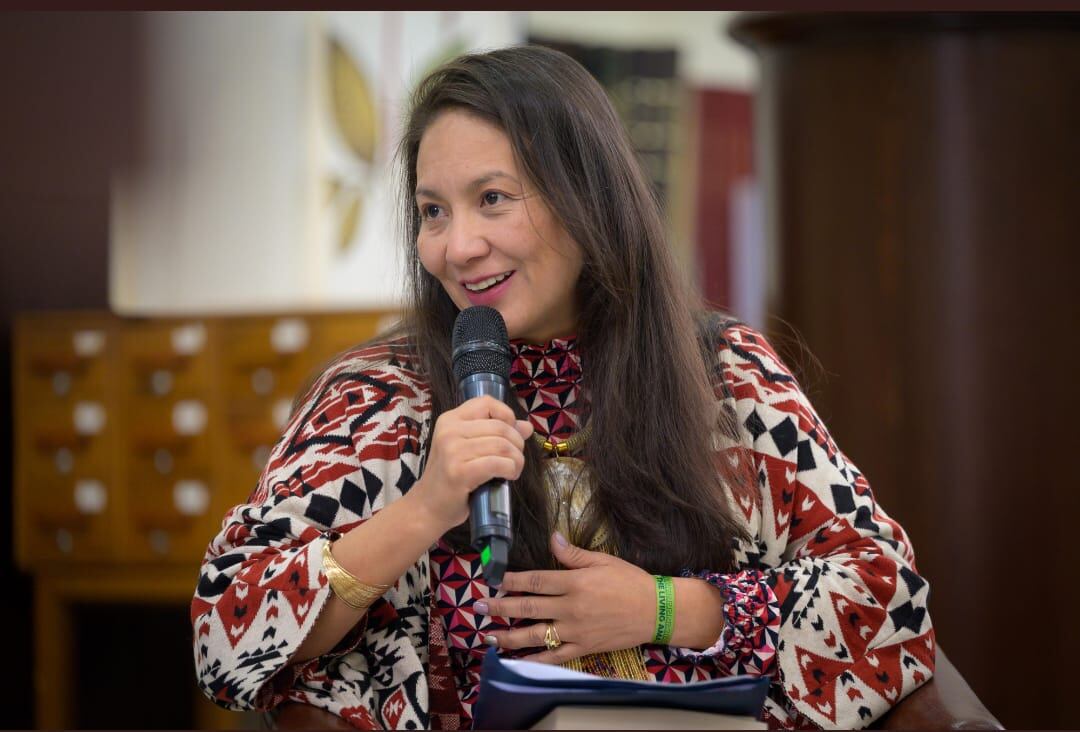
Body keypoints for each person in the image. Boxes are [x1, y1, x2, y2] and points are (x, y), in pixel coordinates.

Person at [191, 45, 934, 730]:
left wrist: (670, 608)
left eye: (493, 198)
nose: (458, 247)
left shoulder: (725, 376)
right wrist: (423, 509)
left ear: (588, 198)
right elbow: (226, 631)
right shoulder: (379, 399)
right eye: (432, 212)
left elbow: (887, 601)